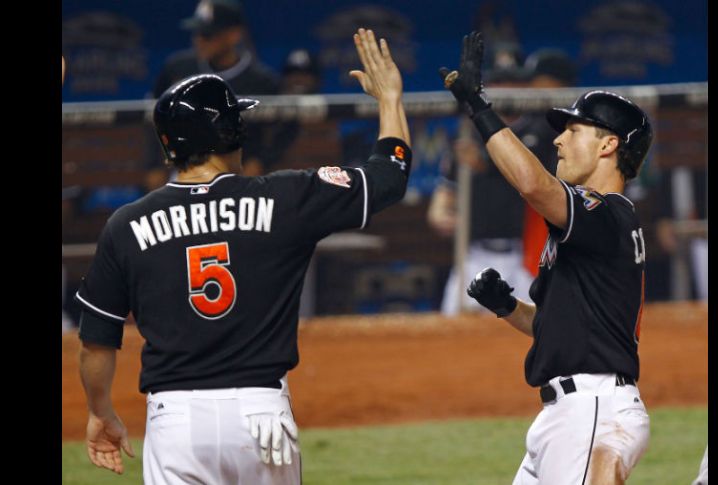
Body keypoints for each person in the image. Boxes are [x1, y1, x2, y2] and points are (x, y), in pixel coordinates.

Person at [76, 28, 410, 484]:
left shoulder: (126, 224)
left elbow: (96, 340)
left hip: (176, 422)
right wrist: (389, 99)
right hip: (261, 417)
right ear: (232, 132)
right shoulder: (286, 197)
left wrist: (100, 412)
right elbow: (388, 177)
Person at [440, 32, 652, 484]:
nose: (558, 141)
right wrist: (507, 306)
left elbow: (534, 186)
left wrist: (478, 108)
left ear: (608, 145)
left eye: (573, 131)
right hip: (569, 416)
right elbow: (557, 327)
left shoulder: (605, 214)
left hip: (592, 416)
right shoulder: (594, 225)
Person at [429, 48, 576, 315]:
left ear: (525, 85)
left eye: (513, 81)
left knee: (533, 331)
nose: (505, 88)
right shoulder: (468, 133)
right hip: (474, 254)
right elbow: (444, 195)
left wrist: (485, 163)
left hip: (526, 256)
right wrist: (441, 213)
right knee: (455, 332)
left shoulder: (541, 131)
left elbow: (535, 181)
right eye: (498, 82)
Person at [151, 0, 280, 184]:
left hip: (238, 173)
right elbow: (155, 119)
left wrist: (261, 160)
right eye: (197, 33)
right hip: (185, 171)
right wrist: (154, 165)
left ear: (234, 35)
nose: (199, 40)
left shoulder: (261, 81)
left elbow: (284, 128)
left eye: (207, 34)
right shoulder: (177, 70)